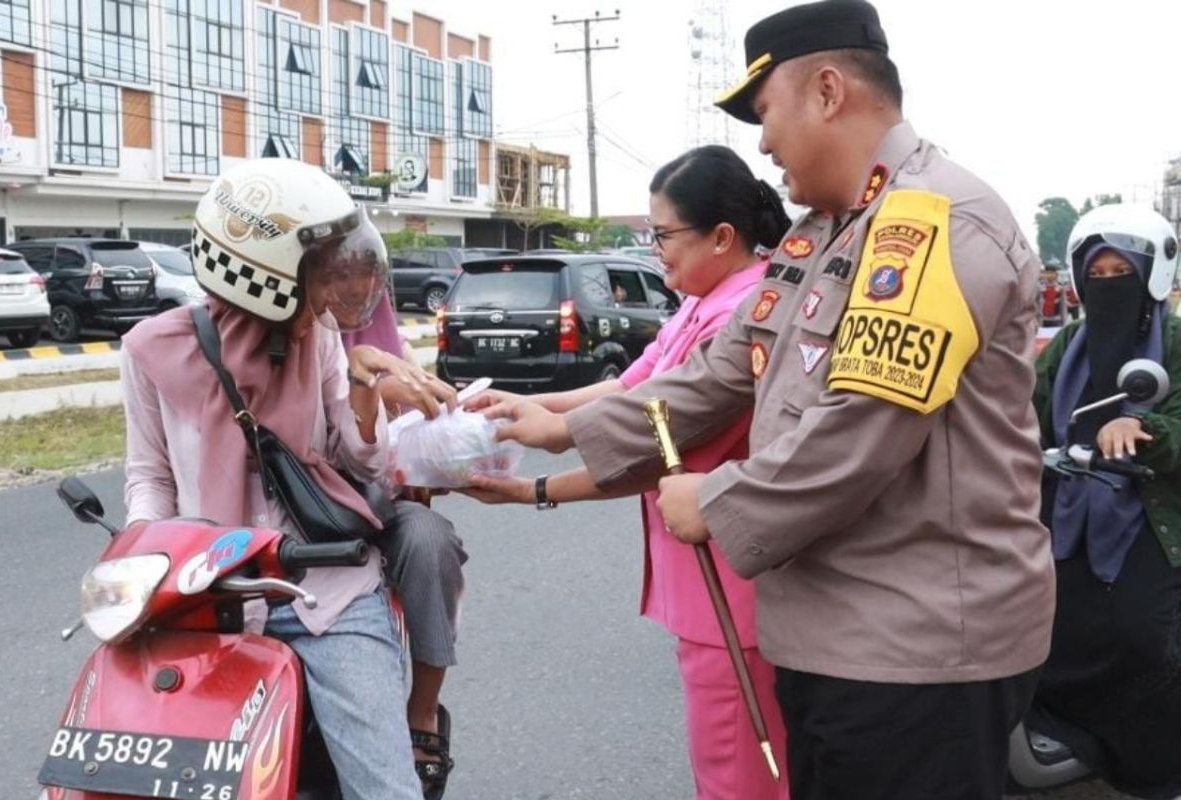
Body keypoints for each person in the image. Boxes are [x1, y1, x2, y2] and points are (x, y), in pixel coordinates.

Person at [480, 2, 1055, 798]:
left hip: (917, 650)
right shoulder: (823, 234)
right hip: (837, 635)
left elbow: (863, 429)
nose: (763, 142)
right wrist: (564, 427)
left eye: (765, 112)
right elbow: (723, 372)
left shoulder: (926, 222)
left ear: (826, 91)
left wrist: (716, 501)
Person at [120, 157, 458, 800]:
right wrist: (145, 555)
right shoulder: (148, 349)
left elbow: (359, 465)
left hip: (323, 593)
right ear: (264, 275)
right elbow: (149, 478)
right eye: (320, 275)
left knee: (386, 788)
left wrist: (364, 393)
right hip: (204, 598)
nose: (334, 292)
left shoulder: (322, 339)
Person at [465, 145, 791, 800]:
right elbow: (630, 390)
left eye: (664, 234)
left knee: (738, 772)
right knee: (730, 764)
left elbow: (659, 443)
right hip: (712, 585)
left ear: (722, 237)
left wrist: (533, 482)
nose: (653, 249)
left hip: (732, 585)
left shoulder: (740, 315)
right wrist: (526, 405)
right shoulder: (704, 303)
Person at [1031, 204, 1181, 798]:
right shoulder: (1068, 343)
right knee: (1037, 619)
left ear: (1152, 276)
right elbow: (1029, 417)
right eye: (1099, 272)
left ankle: (1160, 769)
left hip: (1151, 512)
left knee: (1142, 636)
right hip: (1066, 507)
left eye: (1123, 271)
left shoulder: (1173, 343)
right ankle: (1064, 740)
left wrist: (1145, 428)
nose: (1109, 283)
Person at [341, 287, 468, 799]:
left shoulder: (388, 342)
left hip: (369, 500)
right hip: (277, 509)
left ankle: (422, 710)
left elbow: (379, 455)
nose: (347, 289)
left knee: (429, 536)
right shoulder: (276, 339)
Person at [1039, 260, 1069, 327]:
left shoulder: (1060, 288)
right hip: (1042, 320)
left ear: (1056, 275)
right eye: (1047, 273)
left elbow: (1063, 306)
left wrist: (1064, 322)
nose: (1049, 275)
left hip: (1056, 320)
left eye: (1052, 273)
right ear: (1044, 274)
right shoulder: (1040, 288)